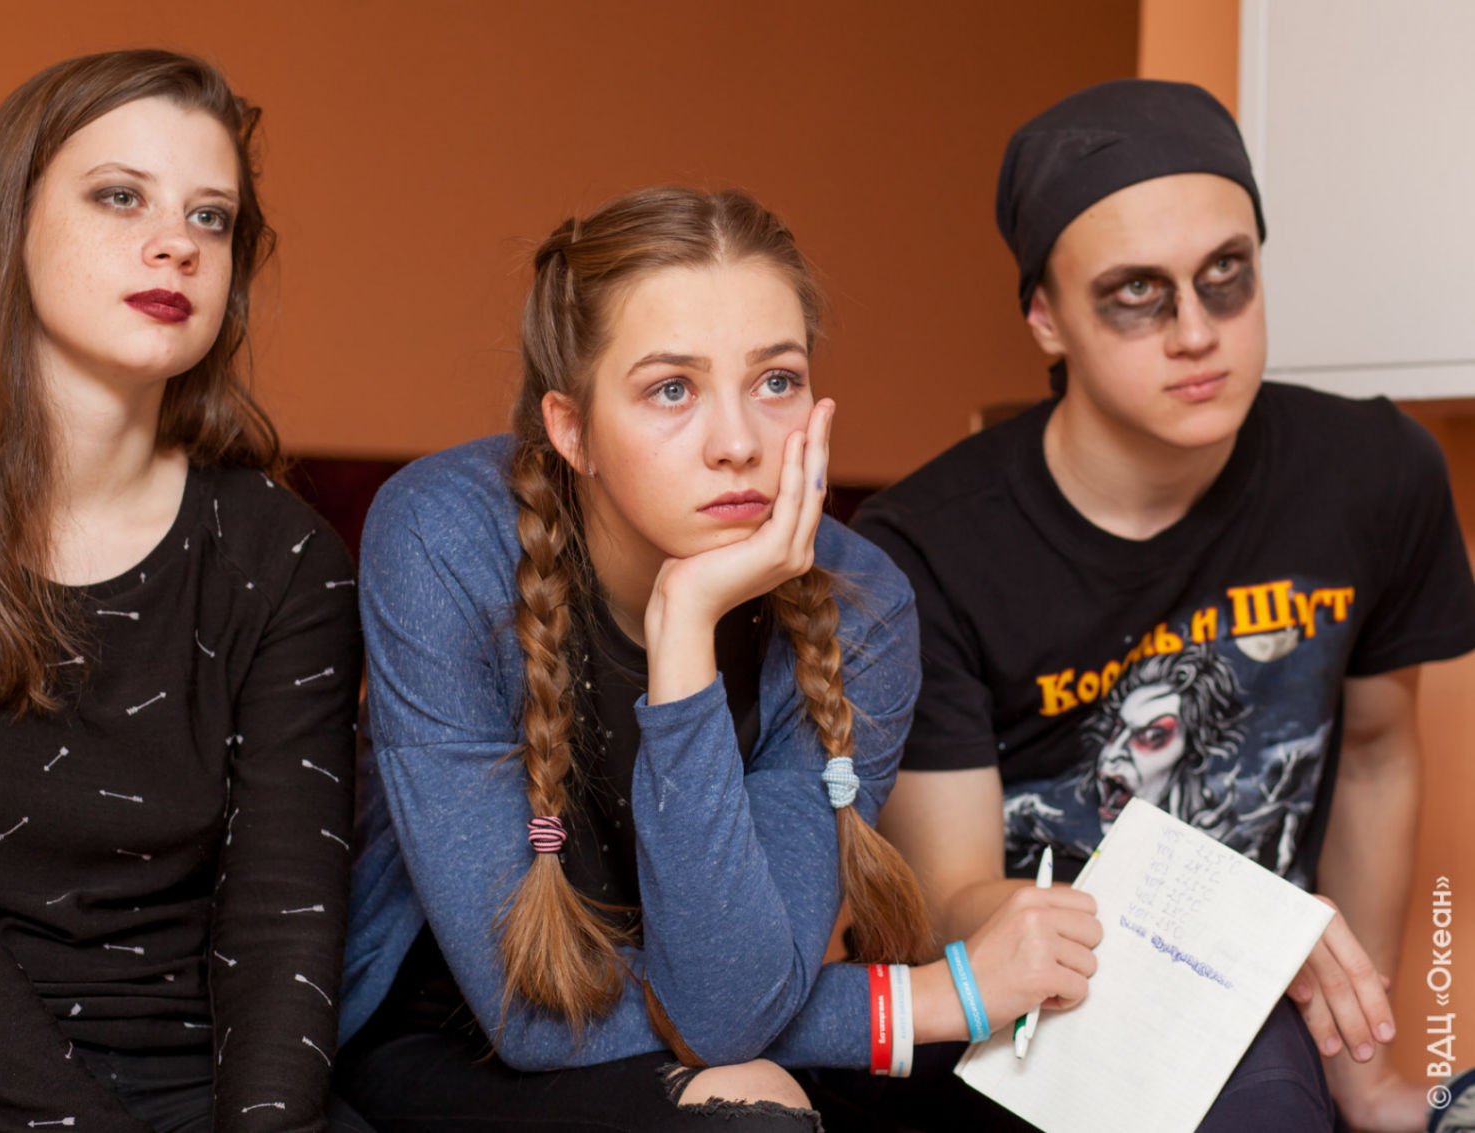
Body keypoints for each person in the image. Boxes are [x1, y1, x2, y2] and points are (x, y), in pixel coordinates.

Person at [333, 187, 1102, 1131]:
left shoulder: (863, 605)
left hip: (733, 1023)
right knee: (751, 1106)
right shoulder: (444, 536)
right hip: (454, 1037)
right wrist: (919, 1005)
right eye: (672, 389)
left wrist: (685, 621)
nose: (739, 444)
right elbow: (529, 1014)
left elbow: (731, 1005)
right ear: (571, 428)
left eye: (776, 381)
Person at [850, 79, 1475, 1132]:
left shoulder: (1374, 473)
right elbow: (949, 906)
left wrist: (1362, 1071)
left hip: (1254, 1023)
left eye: (1226, 276)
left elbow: (1374, 754)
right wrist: (1238, 927)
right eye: (1136, 293)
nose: (1196, 330)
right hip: (1018, 1022)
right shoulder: (923, 549)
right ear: (1046, 317)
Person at [0, 50, 368, 1133]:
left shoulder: (286, 555)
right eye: (119, 196)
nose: (176, 243)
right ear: (8, 226)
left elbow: (283, 913)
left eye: (211, 217)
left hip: (195, 1077)